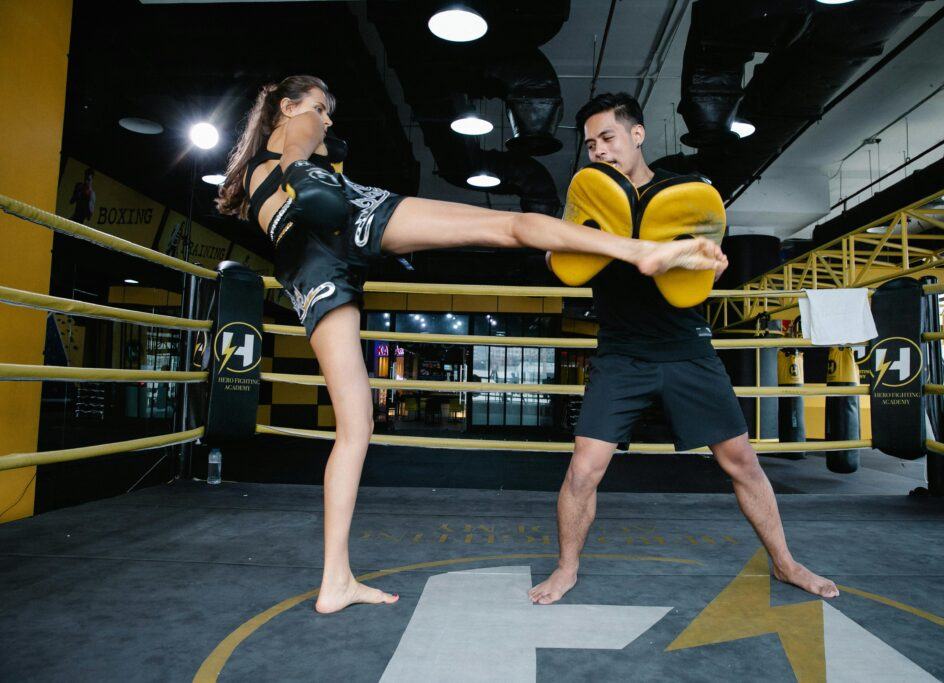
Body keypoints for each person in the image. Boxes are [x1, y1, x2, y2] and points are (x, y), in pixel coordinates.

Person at [215, 76, 724, 614]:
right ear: (288, 105)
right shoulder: (293, 136)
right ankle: (640, 251)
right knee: (509, 227)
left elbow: (296, 158)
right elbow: (294, 142)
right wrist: (302, 169)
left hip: (307, 265)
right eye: (320, 107)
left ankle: (335, 580)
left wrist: (309, 169)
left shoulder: (255, 174)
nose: (327, 118)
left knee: (355, 426)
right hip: (340, 219)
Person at [528, 93, 839, 605]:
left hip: (686, 346)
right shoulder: (588, 201)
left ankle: (786, 563)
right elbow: (555, 259)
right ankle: (566, 569)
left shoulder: (684, 195)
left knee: (741, 460)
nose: (599, 151)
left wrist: (710, 261)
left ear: (636, 134)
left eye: (607, 137)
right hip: (621, 351)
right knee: (584, 467)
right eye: (589, 145)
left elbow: (711, 259)